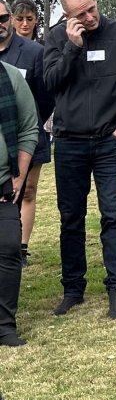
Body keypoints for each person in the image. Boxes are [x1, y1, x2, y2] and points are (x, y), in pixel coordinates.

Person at [43, 0, 116, 319]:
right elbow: (51, 83)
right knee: (70, 218)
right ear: (68, 17)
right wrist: (72, 48)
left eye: (92, 8)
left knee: (113, 215)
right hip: (70, 142)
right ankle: (73, 289)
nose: (89, 17)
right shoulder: (57, 38)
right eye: (80, 14)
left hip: (109, 142)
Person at [0, 0, 54, 267]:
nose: (22, 23)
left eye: (3, 18)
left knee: (26, 190)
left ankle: (20, 248)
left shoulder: (34, 52)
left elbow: (46, 98)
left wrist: (30, 127)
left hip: (27, 136)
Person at [0, 53, 38, 346]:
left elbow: (28, 128)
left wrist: (18, 176)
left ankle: (5, 326)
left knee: (9, 248)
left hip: (3, 183)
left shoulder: (12, 77)